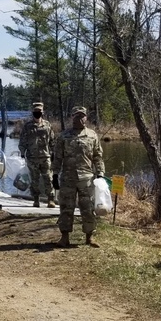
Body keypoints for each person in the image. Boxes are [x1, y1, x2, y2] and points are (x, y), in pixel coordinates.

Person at [51, 106, 105, 247]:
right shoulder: (64, 136)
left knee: (87, 208)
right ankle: (64, 237)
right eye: (76, 116)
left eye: (82, 116)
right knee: (66, 208)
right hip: (68, 178)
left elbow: (98, 157)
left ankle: (89, 237)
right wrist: (55, 175)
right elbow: (57, 157)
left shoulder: (92, 135)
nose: (79, 119)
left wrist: (100, 174)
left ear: (86, 118)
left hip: (86, 178)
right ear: (72, 118)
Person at [19, 101, 56, 208]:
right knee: (34, 180)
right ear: (32, 112)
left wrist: (53, 152)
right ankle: (36, 200)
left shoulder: (47, 125)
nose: (37, 113)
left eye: (39, 111)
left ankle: (51, 199)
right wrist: (22, 152)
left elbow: (52, 140)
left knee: (48, 178)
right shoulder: (28, 126)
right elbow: (22, 141)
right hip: (32, 157)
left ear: (42, 112)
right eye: (35, 111)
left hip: (45, 157)